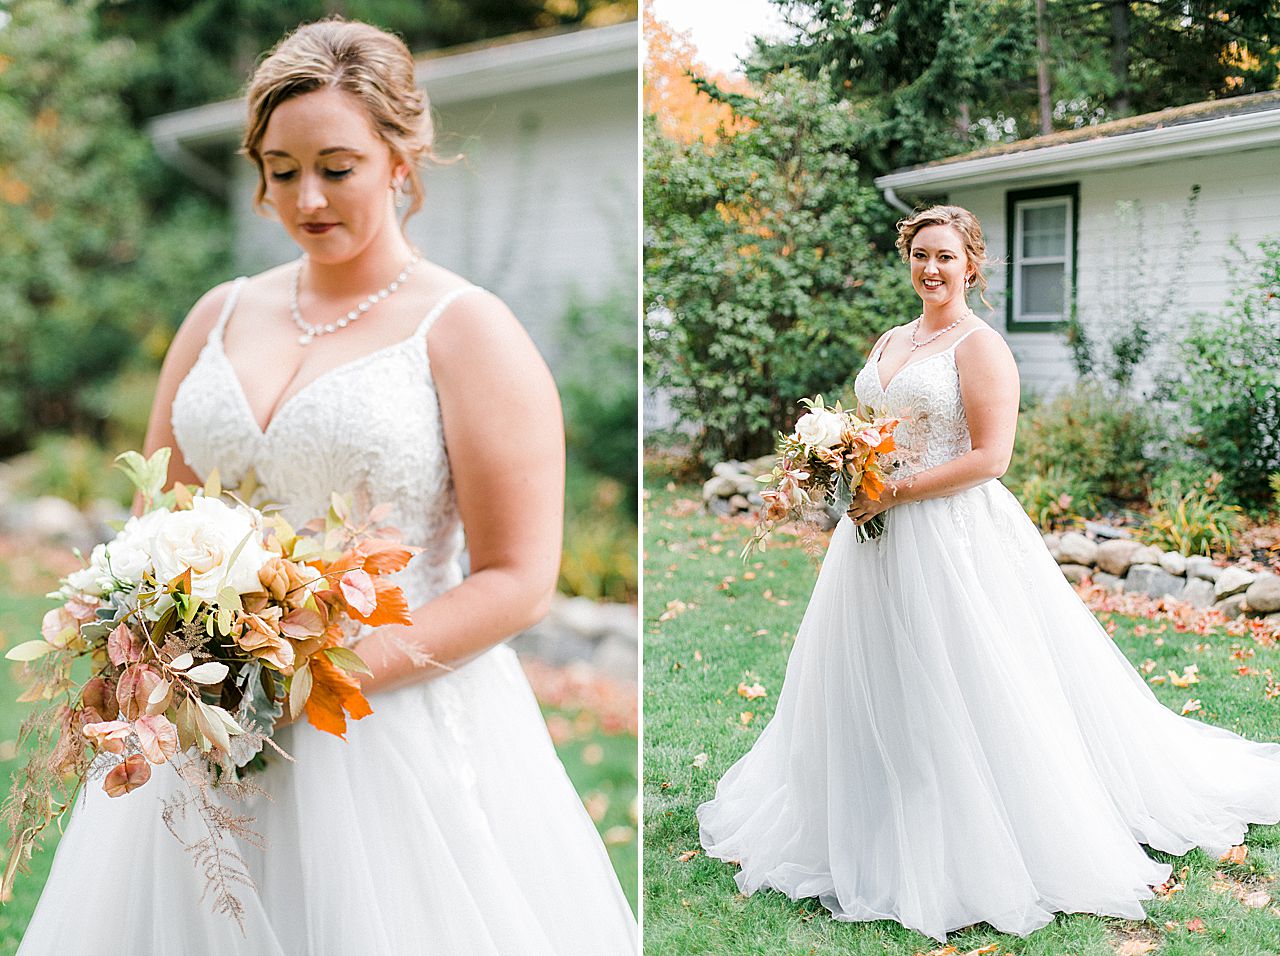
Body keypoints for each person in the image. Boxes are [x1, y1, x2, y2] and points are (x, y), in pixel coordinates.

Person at [18, 18, 637, 955]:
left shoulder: (470, 331)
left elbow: (517, 578)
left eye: (336, 166)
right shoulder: (217, 314)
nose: (304, 196)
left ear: (401, 155)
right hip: (203, 728)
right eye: (279, 167)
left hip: (388, 734)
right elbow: (156, 521)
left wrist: (301, 680)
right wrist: (161, 655)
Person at [697, 204, 1280, 943]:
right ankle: (872, 807)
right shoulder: (891, 339)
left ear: (971, 263)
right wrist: (838, 461)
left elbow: (989, 458)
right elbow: (871, 427)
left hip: (951, 535)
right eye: (919, 255)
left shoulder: (979, 346)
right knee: (877, 674)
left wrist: (895, 490)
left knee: (962, 676)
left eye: (945, 256)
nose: (931, 269)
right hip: (872, 533)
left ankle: (977, 822)